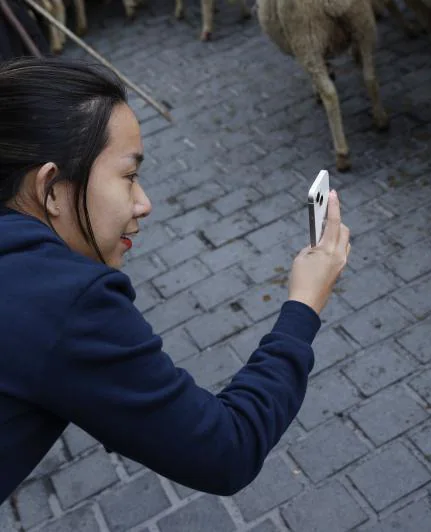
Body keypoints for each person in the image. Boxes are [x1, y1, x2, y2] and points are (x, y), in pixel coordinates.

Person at [0, 56, 350, 501]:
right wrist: (303, 307)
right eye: (128, 177)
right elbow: (226, 448)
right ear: (50, 188)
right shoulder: (63, 300)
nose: (143, 203)